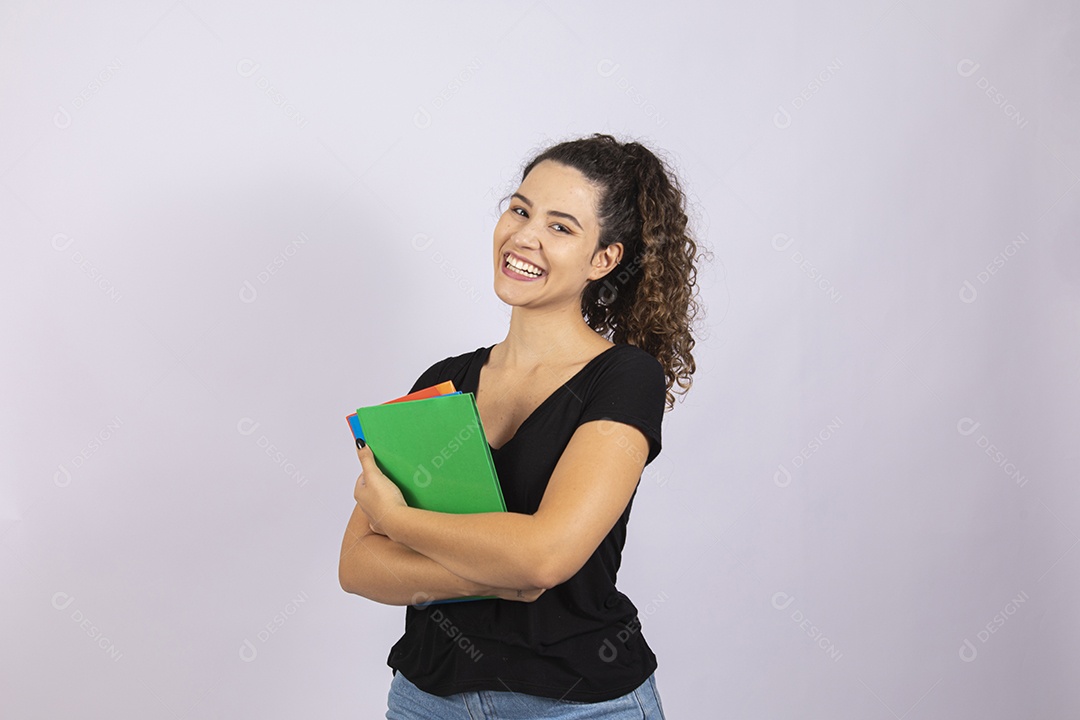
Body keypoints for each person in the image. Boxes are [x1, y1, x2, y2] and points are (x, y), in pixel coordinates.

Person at [339, 133, 706, 719]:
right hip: (427, 699)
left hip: (578, 705)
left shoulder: (625, 379)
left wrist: (398, 521)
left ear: (603, 259)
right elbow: (357, 565)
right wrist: (501, 577)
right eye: (520, 209)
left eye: (561, 227)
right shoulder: (443, 380)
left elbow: (545, 558)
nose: (524, 236)